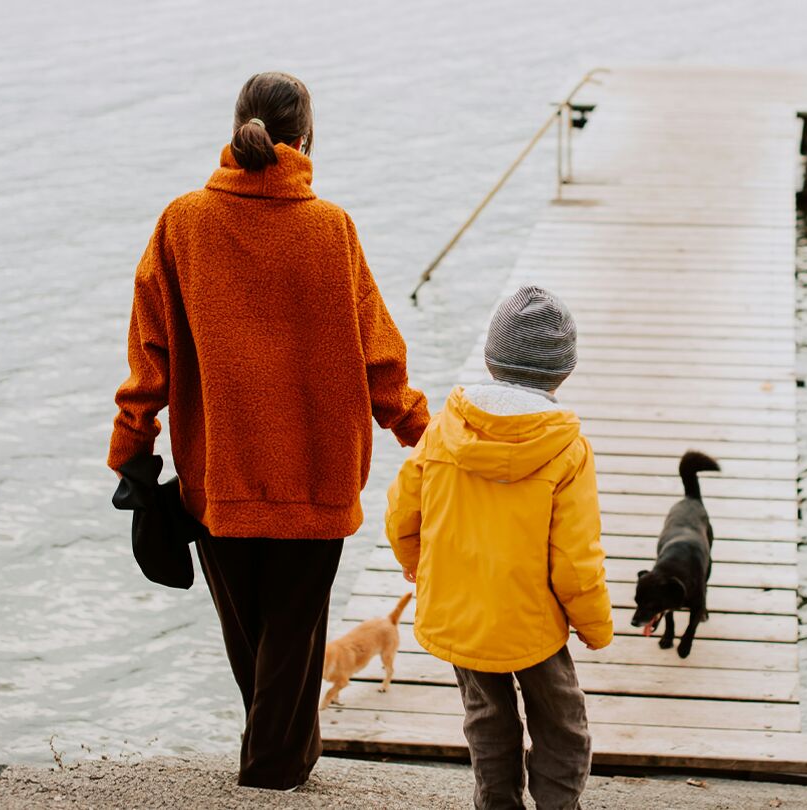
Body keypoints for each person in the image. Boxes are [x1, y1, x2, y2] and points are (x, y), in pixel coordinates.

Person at [106, 71, 429, 791]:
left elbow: (148, 354)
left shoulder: (181, 222)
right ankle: (275, 772)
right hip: (318, 474)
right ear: (307, 139)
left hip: (219, 475)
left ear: (237, 129)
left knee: (254, 641)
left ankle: (275, 764)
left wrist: (133, 447)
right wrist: (421, 431)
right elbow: (381, 355)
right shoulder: (332, 229)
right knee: (288, 640)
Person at [384, 286, 612, 810]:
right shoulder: (567, 449)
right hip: (532, 622)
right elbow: (576, 560)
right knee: (561, 723)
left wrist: (419, 568)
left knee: (487, 716)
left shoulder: (442, 431)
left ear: (490, 359)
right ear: (565, 370)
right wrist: (594, 625)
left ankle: (497, 804)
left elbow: (401, 516)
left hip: (459, 611)